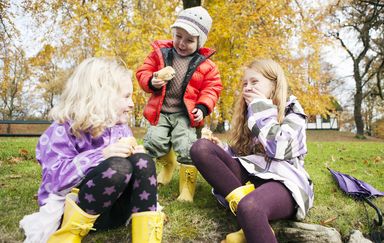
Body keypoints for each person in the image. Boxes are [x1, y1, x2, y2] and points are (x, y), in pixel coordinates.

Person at [19, 57, 164, 243]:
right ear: (101, 96)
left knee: (142, 161)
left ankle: (147, 238)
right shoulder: (63, 130)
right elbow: (54, 180)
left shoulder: (120, 128)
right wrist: (101, 156)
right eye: (126, 96)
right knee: (118, 167)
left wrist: (136, 153)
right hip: (80, 213)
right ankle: (68, 237)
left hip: (118, 212)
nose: (131, 104)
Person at [190, 59, 314, 243]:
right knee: (201, 148)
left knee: (250, 206)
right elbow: (240, 154)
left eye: (254, 82)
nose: (247, 88)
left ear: (274, 85)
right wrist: (220, 149)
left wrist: (259, 108)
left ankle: (250, 219)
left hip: (283, 183)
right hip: (251, 178)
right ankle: (251, 224)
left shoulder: (293, 112)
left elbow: (276, 148)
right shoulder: (247, 114)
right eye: (245, 84)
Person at [136, 6, 223, 202]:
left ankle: (186, 190)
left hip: (185, 114)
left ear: (200, 42)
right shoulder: (160, 54)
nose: (182, 43)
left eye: (189, 40)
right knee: (154, 142)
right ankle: (167, 166)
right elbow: (143, 71)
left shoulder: (206, 65)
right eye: (178, 36)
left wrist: (202, 107)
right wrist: (151, 80)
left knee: (186, 147)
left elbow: (212, 88)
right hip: (161, 111)